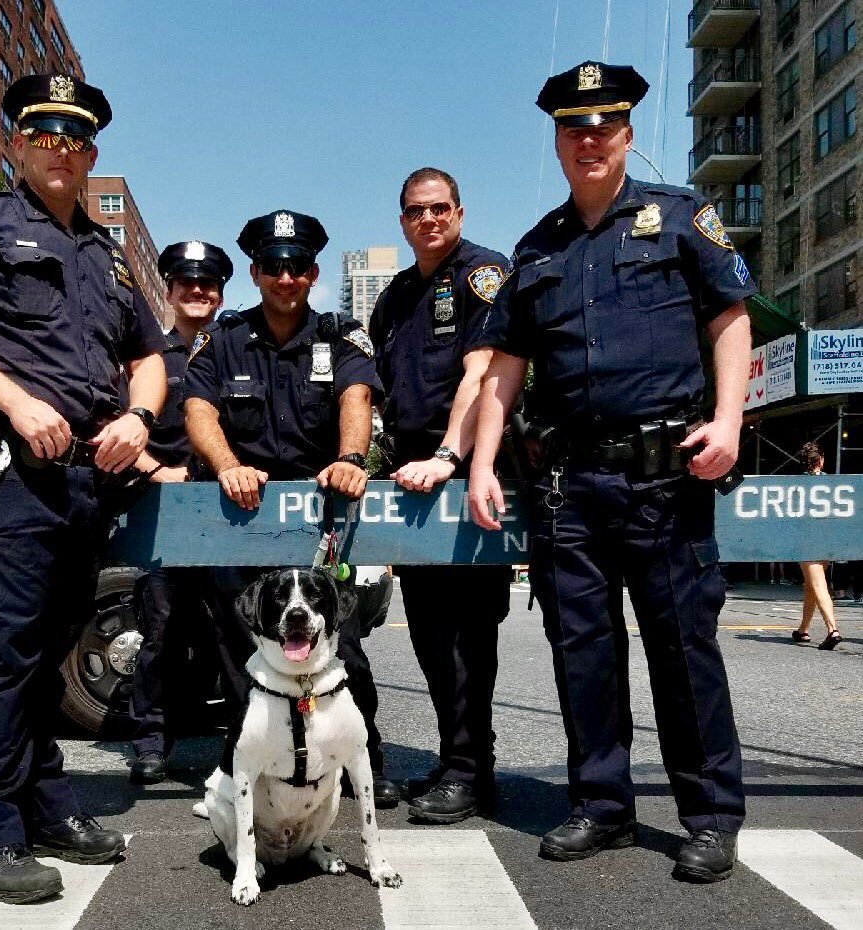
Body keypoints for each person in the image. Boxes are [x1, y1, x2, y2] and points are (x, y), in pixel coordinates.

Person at [468, 61, 752, 882]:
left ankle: (709, 816)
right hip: (568, 488)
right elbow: (504, 368)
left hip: (665, 478)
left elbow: (729, 319)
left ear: (626, 134)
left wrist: (728, 420)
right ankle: (601, 805)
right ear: (557, 142)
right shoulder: (536, 248)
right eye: (572, 128)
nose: (588, 139)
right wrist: (482, 461)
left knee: (682, 651)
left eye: (602, 125)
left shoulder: (679, 217)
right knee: (581, 652)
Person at [0, 73, 167, 903]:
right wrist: (15, 401)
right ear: (16, 144)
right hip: (5, 475)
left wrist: (139, 417)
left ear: (90, 154)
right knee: (0, 655)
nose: (61, 149)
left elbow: (148, 355)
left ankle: (46, 803)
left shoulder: (105, 254)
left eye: (75, 138)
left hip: (84, 483)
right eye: (44, 134)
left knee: (48, 655)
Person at [183, 209, 399, 807]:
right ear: (255, 272)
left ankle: (363, 764)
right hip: (241, 520)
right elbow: (198, 409)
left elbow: (356, 395)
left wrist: (351, 458)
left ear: (313, 273)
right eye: (274, 266)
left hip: (317, 527)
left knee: (343, 652)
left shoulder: (339, 336)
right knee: (241, 656)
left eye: (298, 266)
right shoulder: (223, 340)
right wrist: (226, 465)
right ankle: (250, 770)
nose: (286, 277)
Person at [368, 167, 511, 823]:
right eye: (415, 211)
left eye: (439, 208)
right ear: (402, 220)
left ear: (458, 211)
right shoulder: (396, 296)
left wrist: (448, 456)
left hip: (463, 469)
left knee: (467, 632)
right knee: (428, 630)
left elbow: (484, 375)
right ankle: (458, 759)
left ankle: (471, 770)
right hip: (410, 476)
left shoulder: (484, 274)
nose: (428, 219)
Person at [128, 240, 233, 785]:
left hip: (229, 513)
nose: (197, 292)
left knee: (232, 630)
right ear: (168, 292)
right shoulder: (149, 359)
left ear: (220, 295)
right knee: (162, 631)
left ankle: (241, 741)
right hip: (168, 510)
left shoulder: (238, 351)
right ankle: (150, 740)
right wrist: (154, 471)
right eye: (186, 284)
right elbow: (117, 423)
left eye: (208, 284)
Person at [793, 442, 842, 650]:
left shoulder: (797, 486)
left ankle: (833, 630)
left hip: (807, 540)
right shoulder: (831, 483)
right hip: (826, 540)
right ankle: (803, 629)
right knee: (811, 586)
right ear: (820, 460)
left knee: (818, 585)